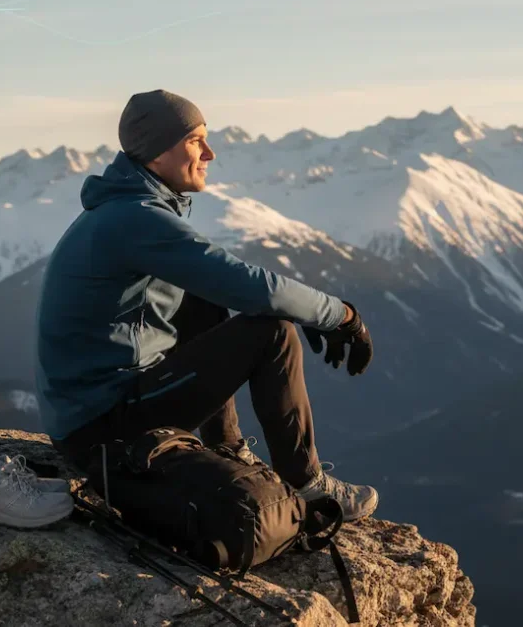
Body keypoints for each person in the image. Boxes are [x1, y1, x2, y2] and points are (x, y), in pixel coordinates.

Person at [33, 88, 378, 521]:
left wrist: (303, 308)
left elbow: (227, 286)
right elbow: (257, 288)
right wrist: (339, 315)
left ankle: (227, 448)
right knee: (272, 333)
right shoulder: (135, 218)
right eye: (195, 140)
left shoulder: (121, 211)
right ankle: (308, 487)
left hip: (89, 415)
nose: (210, 153)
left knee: (200, 294)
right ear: (159, 151)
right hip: (103, 428)